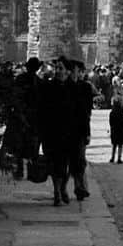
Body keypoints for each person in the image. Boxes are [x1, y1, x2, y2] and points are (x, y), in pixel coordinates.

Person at [37, 57, 85, 206]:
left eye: (60, 68)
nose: (57, 71)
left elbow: (82, 113)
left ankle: (63, 187)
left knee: (69, 163)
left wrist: (85, 132)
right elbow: (42, 110)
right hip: (53, 132)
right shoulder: (48, 87)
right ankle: (57, 190)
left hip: (72, 133)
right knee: (54, 163)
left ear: (68, 71)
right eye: (56, 68)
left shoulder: (76, 89)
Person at [2, 56, 41, 179]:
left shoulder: (21, 79)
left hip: (22, 115)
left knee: (20, 144)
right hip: (30, 116)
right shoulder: (38, 81)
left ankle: (20, 169)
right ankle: (30, 170)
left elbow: (13, 97)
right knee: (30, 144)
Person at [68, 59, 94, 200]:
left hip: (78, 129)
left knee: (79, 160)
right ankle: (62, 190)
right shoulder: (62, 86)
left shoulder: (84, 87)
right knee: (65, 161)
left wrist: (87, 132)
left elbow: (86, 113)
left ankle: (79, 186)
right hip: (64, 129)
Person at [109, 95, 123, 163]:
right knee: (120, 145)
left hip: (114, 130)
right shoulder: (122, 112)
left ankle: (112, 157)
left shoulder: (112, 113)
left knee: (114, 145)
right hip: (121, 130)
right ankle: (119, 158)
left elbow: (110, 123)